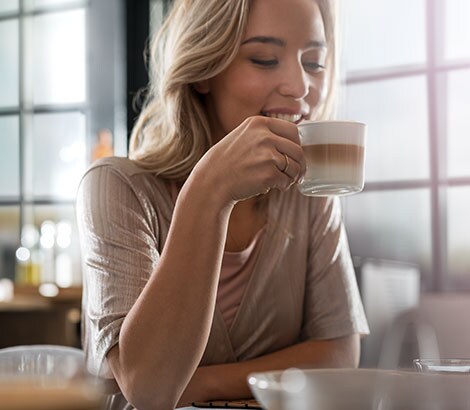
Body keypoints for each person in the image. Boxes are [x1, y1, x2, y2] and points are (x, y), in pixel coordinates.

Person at [76, 0, 369, 409]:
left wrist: (203, 384)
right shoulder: (117, 189)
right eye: (265, 59)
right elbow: (149, 388)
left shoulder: (310, 196)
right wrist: (209, 193)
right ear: (204, 70)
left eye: (315, 62)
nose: (300, 87)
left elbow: (339, 357)